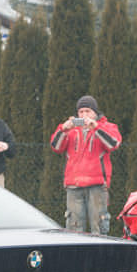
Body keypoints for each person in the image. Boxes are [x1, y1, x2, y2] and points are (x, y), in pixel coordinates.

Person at [50, 95, 122, 235]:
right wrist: (63, 129)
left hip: (97, 185)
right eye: (81, 112)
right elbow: (55, 147)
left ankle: (100, 256)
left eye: (88, 111)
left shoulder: (107, 127)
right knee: (74, 228)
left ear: (95, 112)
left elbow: (113, 144)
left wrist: (96, 127)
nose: (84, 115)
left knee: (99, 228)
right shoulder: (71, 130)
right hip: (73, 185)